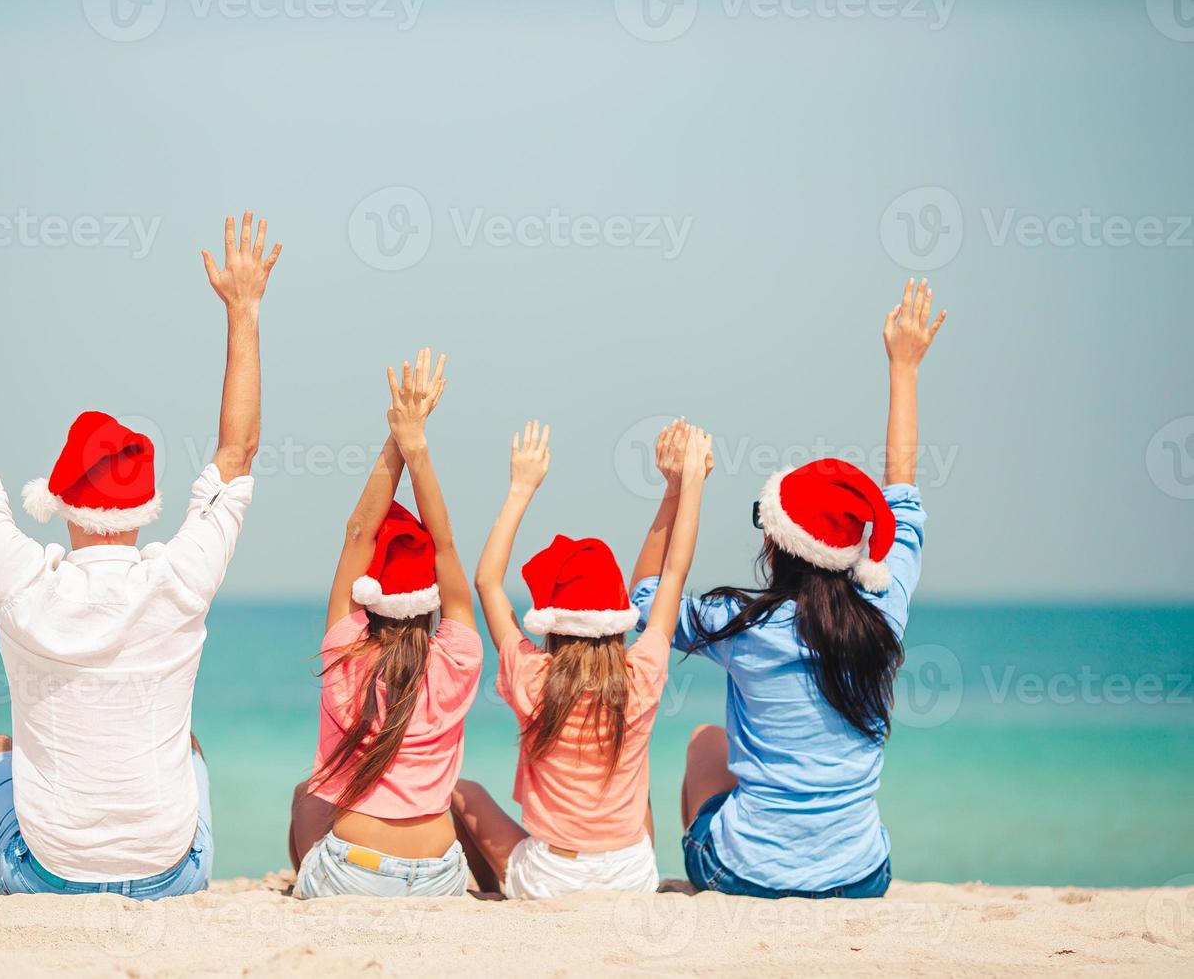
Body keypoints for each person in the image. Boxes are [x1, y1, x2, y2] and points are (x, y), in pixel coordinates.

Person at [0, 209, 281, 899]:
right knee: (189, 751)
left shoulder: (24, 582)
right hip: (173, 876)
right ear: (147, 505)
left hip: (46, 875)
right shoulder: (181, 579)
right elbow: (239, 453)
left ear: (59, 502)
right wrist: (245, 309)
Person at [630, 279, 945, 899]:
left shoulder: (742, 623)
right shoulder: (886, 608)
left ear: (775, 543)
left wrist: (676, 488)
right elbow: (902, 493)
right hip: (862, 876)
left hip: (745, 874)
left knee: (702, 742)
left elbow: (646, 604)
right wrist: (904, 368)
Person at [451, 420, 712, 899]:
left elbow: (487, 580)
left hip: (552, 878)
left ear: (551, 621)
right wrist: (685, 485)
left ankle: (494, 891)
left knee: (462, 790)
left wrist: (520, 489)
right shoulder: (641, 674)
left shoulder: (532, 677)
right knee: (635, 773)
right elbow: (673, 572)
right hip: (633, 874)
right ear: (617, 617)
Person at [287, 349, 483, 899]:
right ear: (432, 598)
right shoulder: (459, 658)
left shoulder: (347, 653)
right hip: (442, 877)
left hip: (355, 872)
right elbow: (445, 547)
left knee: (308, 795)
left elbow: (358, 535)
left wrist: (395, 441)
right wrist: (418, 446)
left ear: (366, 597)